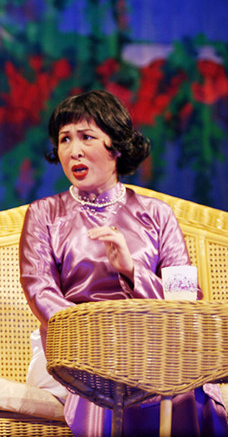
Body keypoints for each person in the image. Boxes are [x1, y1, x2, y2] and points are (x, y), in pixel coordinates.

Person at [19, 90, 227, 436]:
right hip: (75, 350)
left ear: (116, 146)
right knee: (107, 380)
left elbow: (188, 298)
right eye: (65, 139)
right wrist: (96, 334)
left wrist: (132, 271)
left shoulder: (156, 214)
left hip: (155, 344)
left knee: (177, 385)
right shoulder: (44, 214)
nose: (73, 150)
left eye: (86, 137)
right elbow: (39, 289)